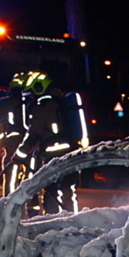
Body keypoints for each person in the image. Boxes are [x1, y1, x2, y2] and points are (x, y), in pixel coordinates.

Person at [13, 72, 87, 215]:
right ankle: (72, 219)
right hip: (70, 151)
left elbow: (35, 133)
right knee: (68, 189)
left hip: (53, 154)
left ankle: (53, 221)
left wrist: (20, 155)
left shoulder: (42, 106)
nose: (31, 97)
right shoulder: (61, 102)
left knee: (51, 190)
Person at [0, 78, 29, 197]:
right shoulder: (30, 101)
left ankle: (9, 201)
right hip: (30, 142)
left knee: (11, 172)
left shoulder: (6, 103)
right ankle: (31, 204)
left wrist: (0, 139)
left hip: (12, 142)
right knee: (31, 173)